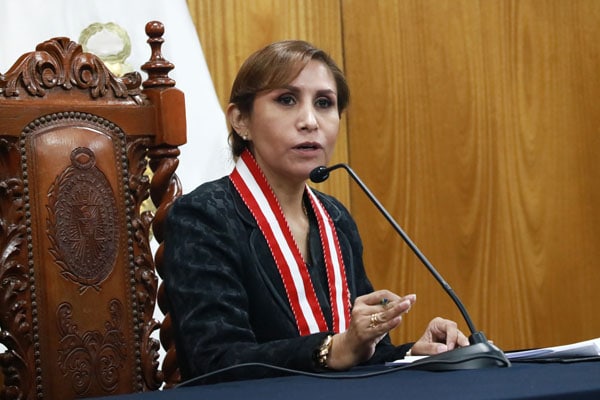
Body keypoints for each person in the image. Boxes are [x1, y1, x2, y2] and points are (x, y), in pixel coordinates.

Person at [163, 40, 469, 384]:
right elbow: (216, 361)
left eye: (324, 103)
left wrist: (414, 354)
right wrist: (331, 350)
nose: (310, 121)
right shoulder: (203, 216)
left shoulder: (335, 218)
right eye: (286, 100)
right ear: (240, 120)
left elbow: (358, 355)